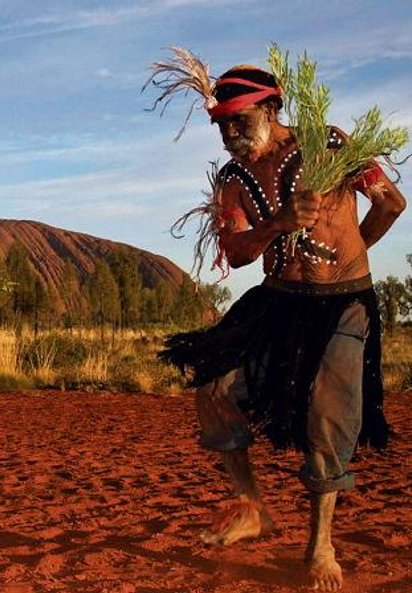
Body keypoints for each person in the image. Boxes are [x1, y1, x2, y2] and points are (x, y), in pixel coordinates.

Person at [148, 56, 406, 591]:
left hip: (342, 302)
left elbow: (390, 202)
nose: (228, 132)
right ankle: (251, 506)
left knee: (326, 415)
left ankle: (321, 545)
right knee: (215, 386)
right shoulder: (232, 179)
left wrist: (351, 251)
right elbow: (237, 253)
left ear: (271, 108)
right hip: (276, 299)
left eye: (238, 119)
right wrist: (279, 225)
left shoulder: (330, 146)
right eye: (221, 123)